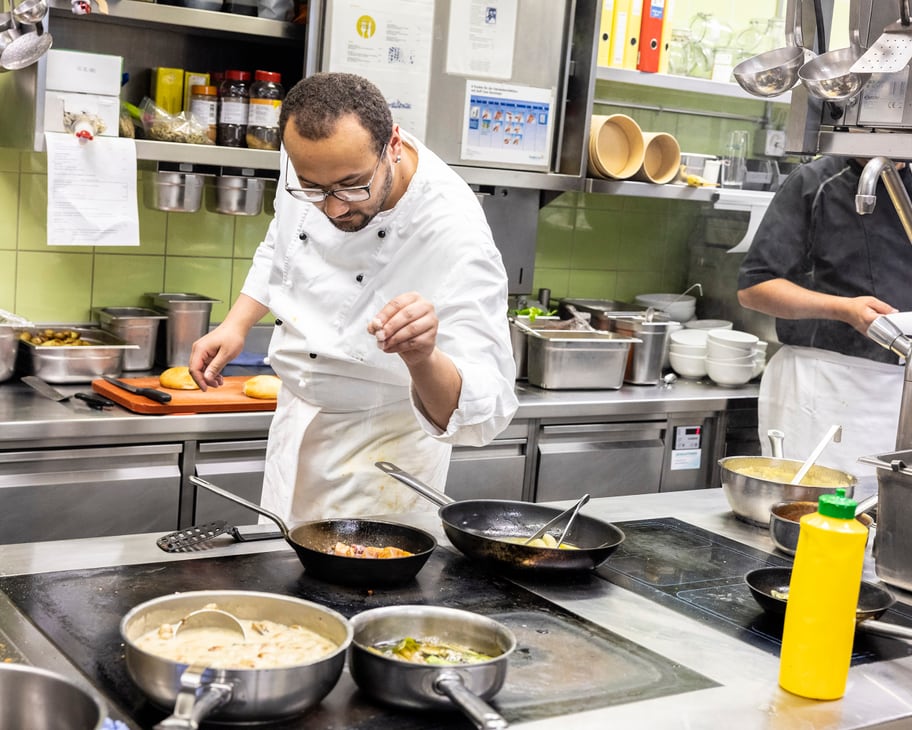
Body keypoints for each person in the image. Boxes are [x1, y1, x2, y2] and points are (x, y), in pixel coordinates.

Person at [189, 72, 518, 522]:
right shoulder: (316, 162)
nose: (333, 208)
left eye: (351, 186)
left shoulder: (454, 231)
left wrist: (422, 357)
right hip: (294, 427)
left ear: (394, 146)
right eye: (312, 188)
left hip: (381, 461)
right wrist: (237, 322)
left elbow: (486, 411)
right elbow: (280, 244)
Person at [737, 155, 912, 474]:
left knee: (888, 512)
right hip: (823, 388)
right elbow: (754, 288)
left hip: (899, 391)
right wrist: (844, 309)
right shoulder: (814, 182)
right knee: (814, 507)